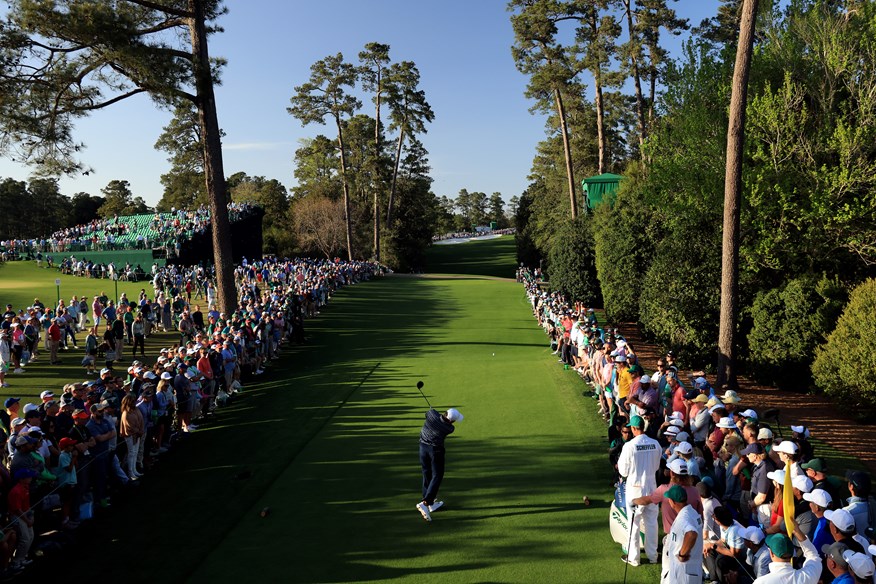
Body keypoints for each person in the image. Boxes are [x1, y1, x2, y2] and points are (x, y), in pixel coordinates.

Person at [617, 414, 661, 567]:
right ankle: (653, 556)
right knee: (651, 522)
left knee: (634, 524)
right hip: (651, 487)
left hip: (635, 490)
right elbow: (656, 467)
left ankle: (634, 558)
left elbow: (623, 471)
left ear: (635, 428)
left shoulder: (629, 446)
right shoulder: (655, 444)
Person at [417, 407, 464, 522]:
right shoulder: (449, 428)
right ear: (452, 421)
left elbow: (428, 413)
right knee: (437, 475)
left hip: (422, 447)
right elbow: (440, 420)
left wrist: (433, 411)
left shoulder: (432, 415)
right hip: (435, 451)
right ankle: (426, 502)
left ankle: (430, 503)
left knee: (426, 472)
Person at [752, 516, 822, 583]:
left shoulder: (761, 582)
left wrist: (797, 532)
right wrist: (798, 532)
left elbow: (813, 556)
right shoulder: (807, 576)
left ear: (771, 553)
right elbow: (813, 556)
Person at [661, 484, 703, 584]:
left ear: (672, 502)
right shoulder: (692, 512)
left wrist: (682, 554)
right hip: (692, 568)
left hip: (682, 571)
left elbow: (692, 534)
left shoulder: (683, 518)